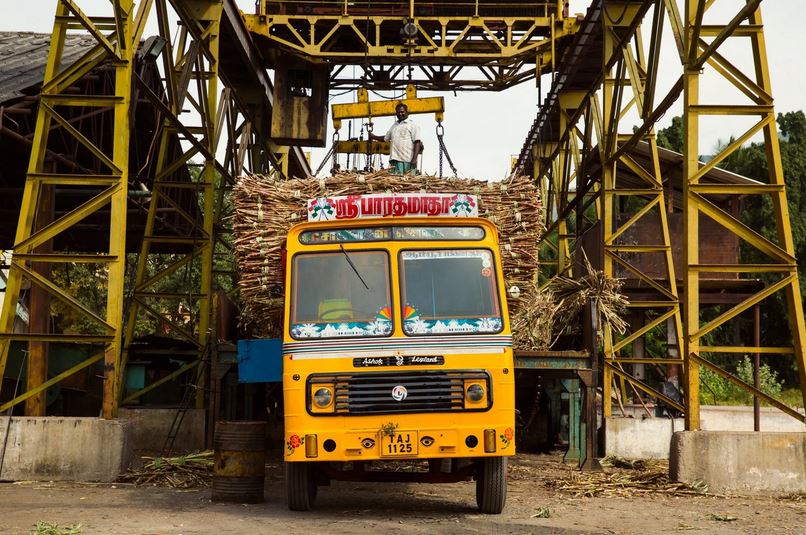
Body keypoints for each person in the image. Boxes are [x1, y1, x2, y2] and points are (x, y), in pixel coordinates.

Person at [370, 103, 423, 174]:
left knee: (407, 182)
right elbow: (386, 138)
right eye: (398, 112)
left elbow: (417, 142)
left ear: (407, 112)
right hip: (394, 161)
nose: (400, 114)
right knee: (395, 182)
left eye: (402, 112)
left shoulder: (412, 125)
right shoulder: (394, 126)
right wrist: (373, 136)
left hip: (407, 160)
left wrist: (414, 159)